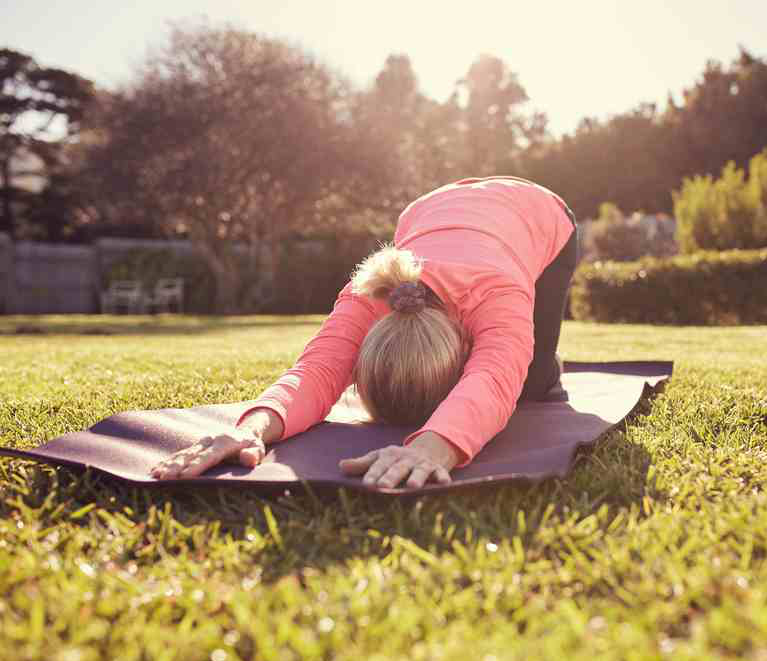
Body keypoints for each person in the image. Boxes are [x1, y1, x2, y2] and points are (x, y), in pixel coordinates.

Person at [149, 176, 579, 489]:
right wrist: (251, 428)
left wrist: (436, 445)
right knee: (510, 359)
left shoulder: (497, 293)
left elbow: (492, 379)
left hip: (539, 212)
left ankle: (542, 366)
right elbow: (316, 371)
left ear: (465, 347)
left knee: (529, 382)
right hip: (433, 208)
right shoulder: (369, 294)